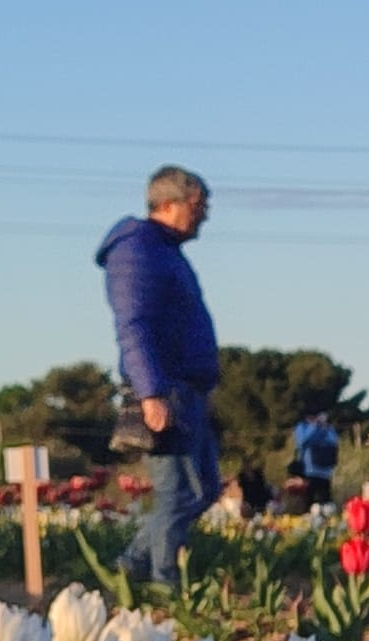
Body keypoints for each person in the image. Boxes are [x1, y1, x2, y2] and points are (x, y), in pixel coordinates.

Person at [97, 165, 220, 585]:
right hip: (167, 390)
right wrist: (151, 392)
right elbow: (134, 324)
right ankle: (164, 586)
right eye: (198, 205)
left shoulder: (164, 250)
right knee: (178, 493)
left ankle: (132, 565)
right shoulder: (138, 250)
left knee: (202, 491)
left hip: (187, 390)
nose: (204, 215)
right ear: (168, 204)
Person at [294, 413, 340, 507]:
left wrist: (325, 428)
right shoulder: (302, 426)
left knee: (325, 502)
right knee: (308, 501)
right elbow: (302, 442)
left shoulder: (327, 427)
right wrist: (314, 426)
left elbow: (334, 441)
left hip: (325, 472)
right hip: (309, 471)